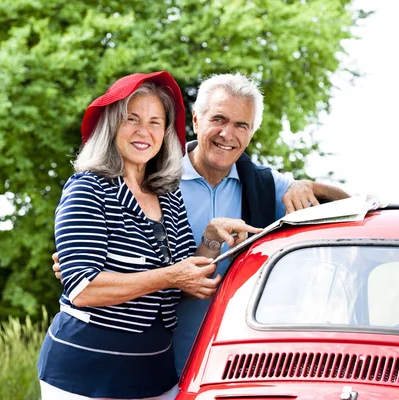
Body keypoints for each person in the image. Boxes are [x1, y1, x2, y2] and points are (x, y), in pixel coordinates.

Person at [52, 72, 351, 378]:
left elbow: (354, 208)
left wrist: (307, 185)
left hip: (231, 363)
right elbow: (90, 265)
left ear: (251, 134)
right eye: (218, 119)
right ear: (196, 120)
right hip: (158, 360)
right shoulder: (154, 177)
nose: (227, 134)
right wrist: (84, 267)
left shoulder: (265, 186)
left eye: (241, 125)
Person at [38, 71, 260, 400]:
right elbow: (84, 288)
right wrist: (170, 276)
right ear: (112, 124)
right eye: (133, 119)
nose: (145, 131)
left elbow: (185, 280)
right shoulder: (88, 188)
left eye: (156, 122)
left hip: (154, 375)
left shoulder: (167, 194)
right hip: (84, 376)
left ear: (166, 132)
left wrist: (211, 237)